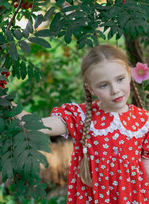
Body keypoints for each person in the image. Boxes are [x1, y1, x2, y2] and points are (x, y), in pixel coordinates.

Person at [17, 44, 149, 203]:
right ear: (91, 89)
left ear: (130, 74)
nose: (115, 90)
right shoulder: (80, 116)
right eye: (104, 85)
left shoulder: (144, 121)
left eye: (120, 79)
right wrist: (4, 101)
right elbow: (35, 124)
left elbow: (146, 166)